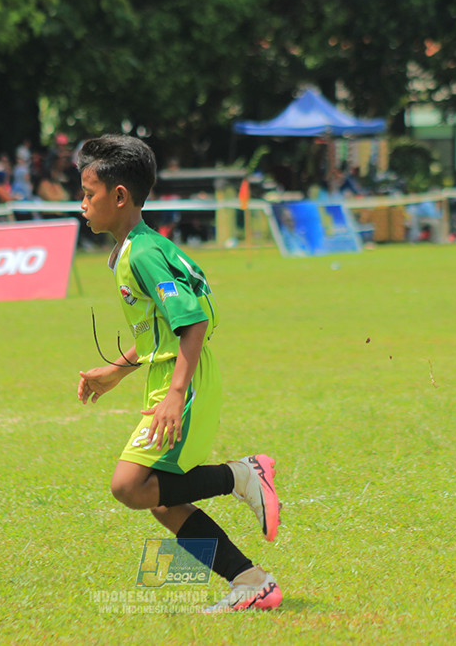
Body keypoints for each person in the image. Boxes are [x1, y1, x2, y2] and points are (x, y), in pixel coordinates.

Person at [75, 135, 282, 613]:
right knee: (163, 501)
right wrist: (114, 371)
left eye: (89, 194)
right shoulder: (136, 247)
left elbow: (193, 322)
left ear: (120, 196)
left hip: (184, 384)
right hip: (174, 377)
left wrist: (174, 394)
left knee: (129, 487)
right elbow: (161, 332)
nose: (82, 204)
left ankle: (241, 476)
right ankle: (252, 582)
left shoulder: (143, 253)